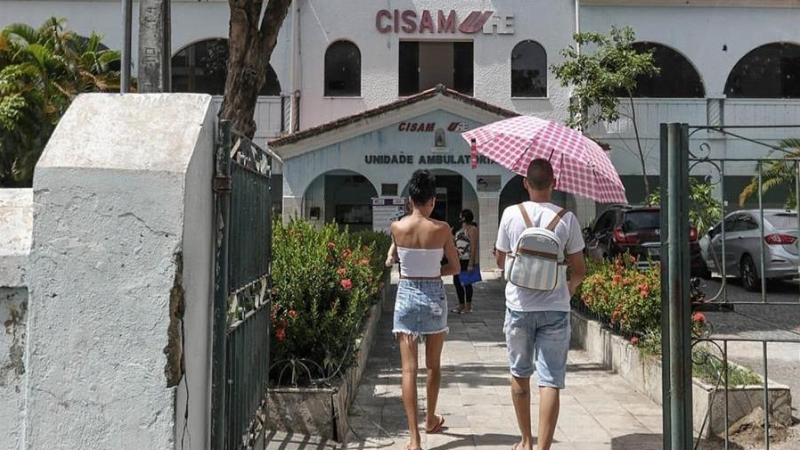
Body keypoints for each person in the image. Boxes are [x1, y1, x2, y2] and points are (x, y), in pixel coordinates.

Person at [494, 159, 586, 450]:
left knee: (520, 375)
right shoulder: (567, 219)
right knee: (550, 381)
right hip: (555, 309)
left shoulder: (511, 214)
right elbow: (579, 269)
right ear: (554, 183)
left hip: (519, 307)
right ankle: (543, 448)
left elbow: (500, 261)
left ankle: (525, 441)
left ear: (525, 182)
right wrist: (566, 291)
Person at [385, 169, 460, 450]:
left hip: (405, 294)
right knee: (433, 366)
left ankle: (414, 440)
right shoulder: (442, 229)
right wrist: (433, 272)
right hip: (433, 297)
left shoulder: (397, 228)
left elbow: (396, 258)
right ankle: (430, 419)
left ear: (409, 200)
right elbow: (455, 267)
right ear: (431, 201)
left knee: (408, 370)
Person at [451, 209, 479, 314]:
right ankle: (461, 304)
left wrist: (471, 263)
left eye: (461, 215)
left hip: (466, 260)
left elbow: (473, 246)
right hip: (458, 259)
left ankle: (468, 306)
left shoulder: (472, 229)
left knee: (467, 283)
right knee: (457, 282)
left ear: (464, 217)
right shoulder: (459, 230)